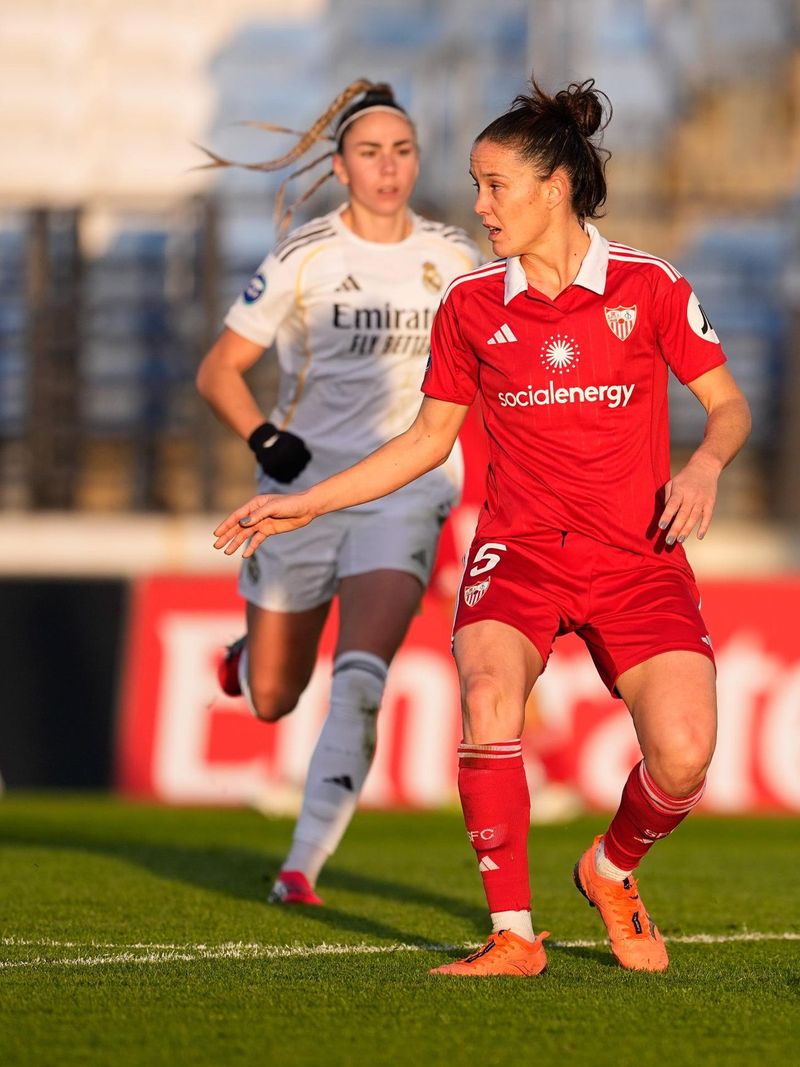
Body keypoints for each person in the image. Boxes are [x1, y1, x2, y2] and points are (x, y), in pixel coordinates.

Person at [213, 77, 751, 977]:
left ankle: (611, 870)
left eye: (495, 185)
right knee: (490, 697)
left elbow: (728, 405)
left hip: (636, 557)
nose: (478, 205)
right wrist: (306, 498)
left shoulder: (650, 286)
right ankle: (513, 933)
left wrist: (704, 462)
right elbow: (427, 441)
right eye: (475, 184)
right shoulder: (470, 304)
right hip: (522, 552)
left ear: (556, 188)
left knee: (687, 756)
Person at [195, 81, 480, 907]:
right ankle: (249, 660)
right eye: (370, 152)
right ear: (342, 165)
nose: (388, 168)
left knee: (360, 676)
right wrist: (263, 438)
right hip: (300, 489)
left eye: (402, 151)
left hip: (406, 488)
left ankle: (301, 867)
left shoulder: (455, 257)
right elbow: (219, 370)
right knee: (274, 700)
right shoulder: (303, 256)